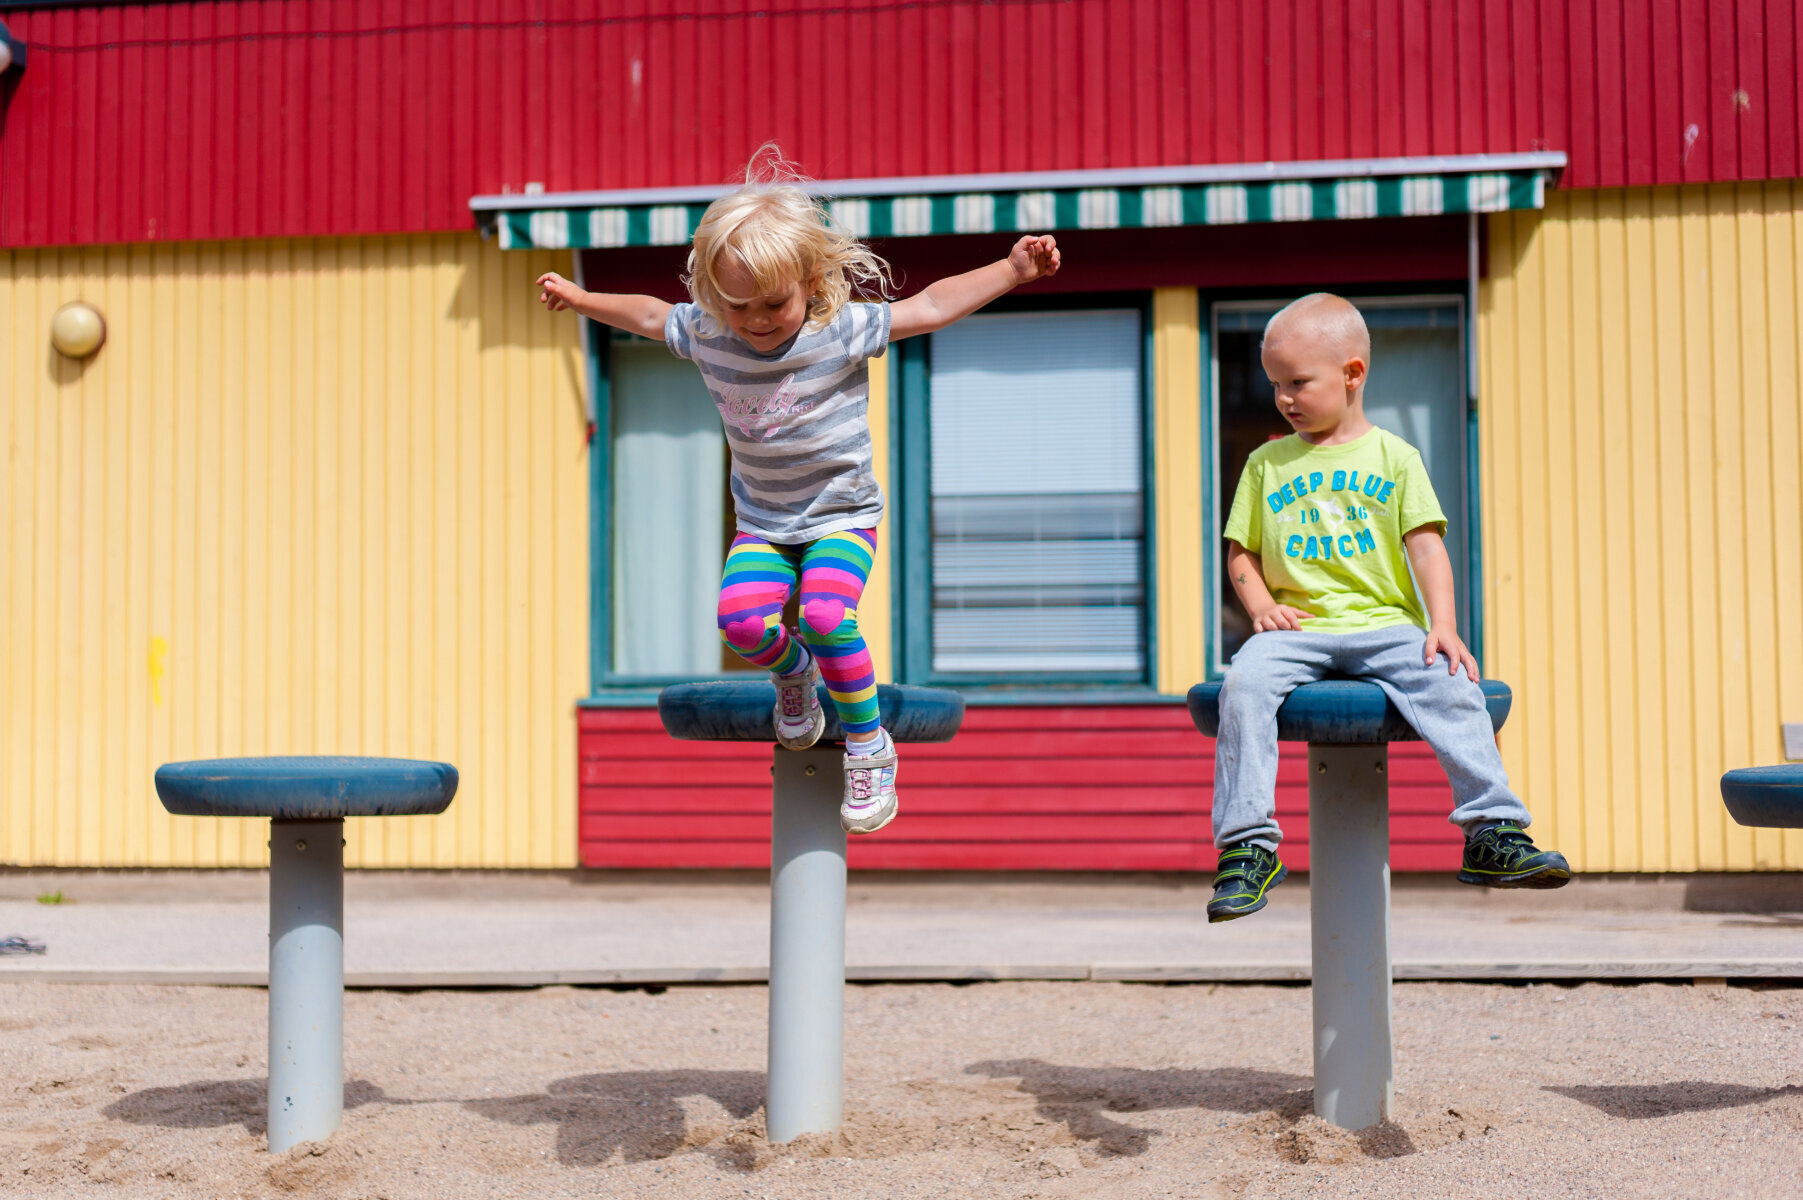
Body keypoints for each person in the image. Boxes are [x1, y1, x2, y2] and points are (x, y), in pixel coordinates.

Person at [535, 152, 1060, 835]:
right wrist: (580, 299)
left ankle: (869, 748)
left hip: (842, 518)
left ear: (810, 283)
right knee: (741, 622)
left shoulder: (836, 333)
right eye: (737, 305)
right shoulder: (708, 332)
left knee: (821, 610)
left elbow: (930, 307)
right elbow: (646, 313)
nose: (755, 320)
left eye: (773, 303)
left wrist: (1014, 270)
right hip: (763, 526)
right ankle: (796, 675)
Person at [1208, 293, 1569, 922]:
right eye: (1274, 385)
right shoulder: (1267, 462)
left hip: (1386, 628)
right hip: (1299, 630)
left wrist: (1445, 628)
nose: (1284, 399)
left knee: (1455, 685)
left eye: (1298, 382)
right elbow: (1241, 552)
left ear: (1352, 375)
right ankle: (1248, 846)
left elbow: (1427, 550)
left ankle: (1493, 831)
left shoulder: (1395, 457)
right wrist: (1262, 605)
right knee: (1242, 683)